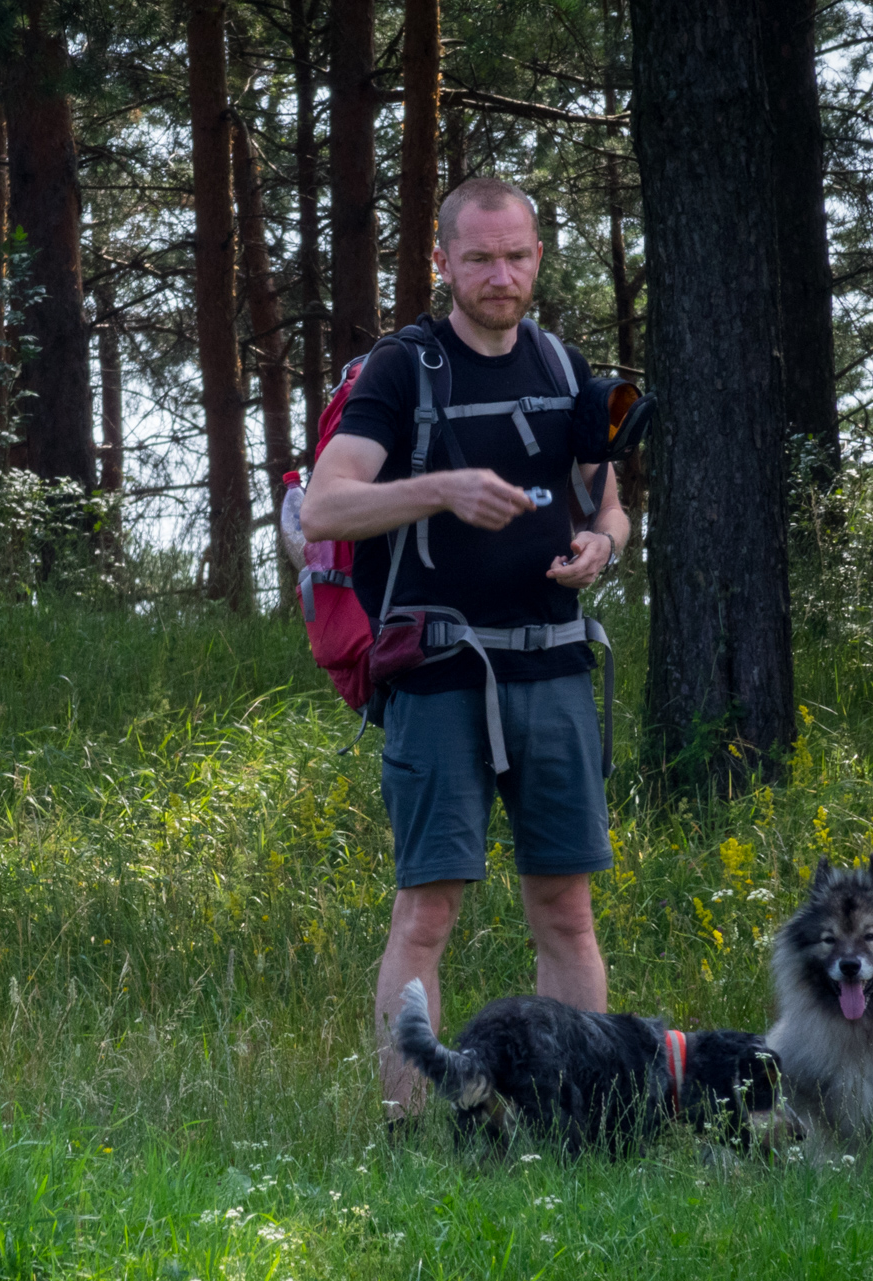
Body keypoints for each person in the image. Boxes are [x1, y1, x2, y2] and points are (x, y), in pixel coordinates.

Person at [297, 176, 630, 1123]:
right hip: (439, 673)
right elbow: (326, 505)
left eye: (517, 255)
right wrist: (442, 487)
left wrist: (605, 543)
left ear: (537, 257)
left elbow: (607, 503)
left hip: (554, 664)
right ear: (441, 260)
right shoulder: (404, 370)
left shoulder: (564, 367)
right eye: (479, 257)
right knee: (426, 912)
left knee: (566, 910)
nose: (501, 275)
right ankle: (405, 1130)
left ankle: (581, 1125)